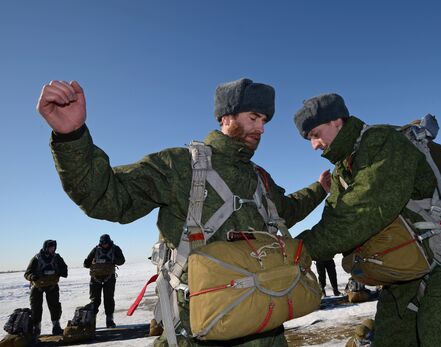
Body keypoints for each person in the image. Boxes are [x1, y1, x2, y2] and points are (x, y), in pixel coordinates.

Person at [37, 78, 329, 347]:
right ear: (226, 117)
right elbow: (107, 197)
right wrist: (71, 137)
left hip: (267, 329)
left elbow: (287, 210)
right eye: (254, 117)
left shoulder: (260, 178)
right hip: (199, 331)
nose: (262, 128)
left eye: (264, 120)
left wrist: (320, 189)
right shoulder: (180, 166)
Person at [293, 93, 441, 346]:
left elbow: (359, 214)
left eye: (315, 133)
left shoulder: (381, 142)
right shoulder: (341, 171)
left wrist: (298, 249)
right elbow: (335, 219)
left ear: (336, 121)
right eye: (309, 139)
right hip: (400, 279)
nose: (314, 145)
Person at [23, 240, 68, 336]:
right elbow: (27, 273)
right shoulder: (37, 258)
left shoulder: (57, 257)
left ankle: (56, 326)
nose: (52, 249)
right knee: (36, 308)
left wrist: (61, 272)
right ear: (45, 248)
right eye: (50, 247)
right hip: (37, 287)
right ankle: (36, 328)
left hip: (52, 286)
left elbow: (64, 268)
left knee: (55, 307)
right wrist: (32, 277)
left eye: (54, 247)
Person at [83, 234, 125, 328]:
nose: (104, 245)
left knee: (109, 299)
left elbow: (122, 260)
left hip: (109, 278)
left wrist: (114, 260)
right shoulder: (95, 250)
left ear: (109, 242)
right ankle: (91, 322)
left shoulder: (115, 249)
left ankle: (109, 320)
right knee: (95, 301)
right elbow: (86, 263)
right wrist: (92, 262)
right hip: (95, 278)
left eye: (106, 243)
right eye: (103, 243)